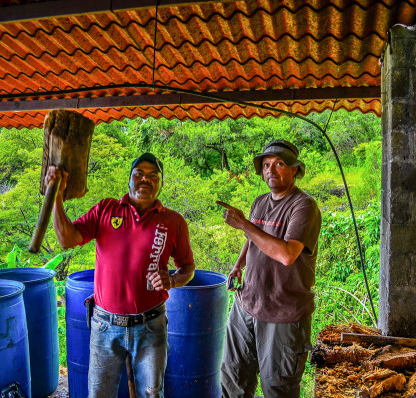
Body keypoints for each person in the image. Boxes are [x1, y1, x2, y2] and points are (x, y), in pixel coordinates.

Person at [47, 153, 195, 398]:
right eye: (138, 174)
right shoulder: (106, 209)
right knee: (99, 394)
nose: (144, 180)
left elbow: (188, 268)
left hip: (151, 325)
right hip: (105, 326)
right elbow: (67, 238)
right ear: (129, 181)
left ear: (161, 184)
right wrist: (56, 197)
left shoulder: (173, 222)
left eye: (152, 176)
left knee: (152, 393)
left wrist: (174, 279)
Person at [218, 140, 321, 398]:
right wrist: (239, 264)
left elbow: (287, 254)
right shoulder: (260, 202)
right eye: (266, 165)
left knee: (278, 388)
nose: (271, 170)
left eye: (279, 164)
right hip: (246, 305)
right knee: (233, 378)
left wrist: (243, 224)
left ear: (294, 170)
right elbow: (253, 238)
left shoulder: (304, 206)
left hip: (283, 314)